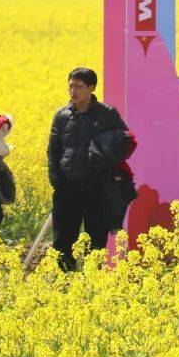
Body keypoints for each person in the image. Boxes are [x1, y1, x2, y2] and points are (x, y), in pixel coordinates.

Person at [47, 67, 129, 270]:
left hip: (98, 189)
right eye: (71, 86)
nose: (73, 91)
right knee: (63, 240)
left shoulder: (107, 114)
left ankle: (94, 283)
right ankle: (65, 282)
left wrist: (107, 157)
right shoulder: (62, 116)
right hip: (68, 188)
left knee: (97, 239)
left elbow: (126, 142)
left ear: (91, 88)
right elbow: (53, 150)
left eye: (79, 86)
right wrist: (56, 180)